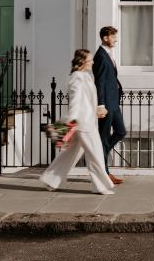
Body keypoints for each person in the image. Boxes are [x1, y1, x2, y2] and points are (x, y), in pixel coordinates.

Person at [40, 49, 115, 195]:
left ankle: (50, 180)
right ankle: (100, 186)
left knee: (69, 154)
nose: (93, 62)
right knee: (95, 154)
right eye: (90, 60)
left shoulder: (85, 76)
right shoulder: (77, 78)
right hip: (82, 123)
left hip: (86, 120)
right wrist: (72, 121)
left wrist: (95, 111)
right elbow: (75, 102)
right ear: (82, 62)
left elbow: (86, 101)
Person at [93, 26, 126, 185]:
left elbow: (110, 76)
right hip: (106, 104)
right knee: (104, 137)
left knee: (121, 131)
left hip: (114, 102)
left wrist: (117, 85)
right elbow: (99, 81)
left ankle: (101, 153)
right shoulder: (100, 55)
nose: (116, 40)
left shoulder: (108, 54)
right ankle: (104, 173)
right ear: (105, 37)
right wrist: (100, 104)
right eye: (113, 37)